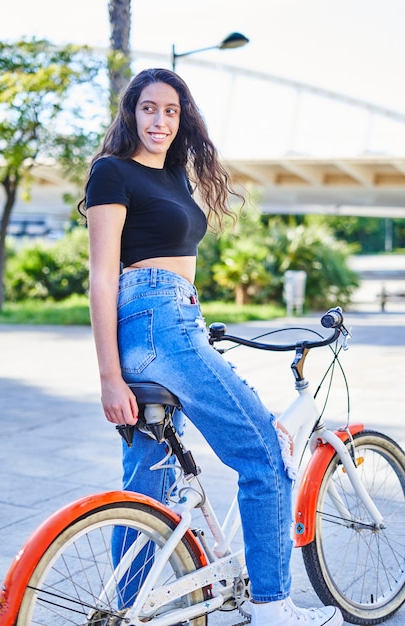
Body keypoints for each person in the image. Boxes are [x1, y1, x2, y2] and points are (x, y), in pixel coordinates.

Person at [79, 68, 343, 626]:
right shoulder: (112, 172)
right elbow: (104, 277)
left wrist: (195, 327)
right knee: (265, 454)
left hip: (176, 324)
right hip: (157, 324)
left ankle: (128, 613)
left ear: (183, 118)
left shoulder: (174, 176)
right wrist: (108, 376)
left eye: (171, 111)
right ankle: (273, 606)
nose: (160, 120)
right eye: (149, 109)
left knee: (146, 486)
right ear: (131, 114)